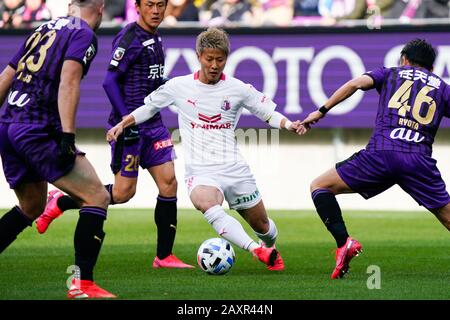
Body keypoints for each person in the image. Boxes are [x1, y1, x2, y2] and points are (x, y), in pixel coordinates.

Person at [107, 27, 303, 271]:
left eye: (219, 59)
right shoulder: (179, 86)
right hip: (201, 171)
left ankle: (269, 246)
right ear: (198, 56)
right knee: (205, 202)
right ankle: (256, 250)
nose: (214, 65)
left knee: (263, 226)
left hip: (235, 169)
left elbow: (267, 113)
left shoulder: (238, 88)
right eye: (209, 59)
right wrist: (123, 123)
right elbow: (149, 107)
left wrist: (289, 124)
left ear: (226, 59)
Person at [36, 0, 193, 269]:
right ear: (138, 7)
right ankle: (61, 201)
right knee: (122, 194)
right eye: (150, 5)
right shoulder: (129, 37)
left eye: (160, 5)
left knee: (169, 183)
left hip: (153, 124)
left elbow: (151, 81)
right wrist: (125, 120)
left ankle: (164, 256)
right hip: (129, 126)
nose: (155, 11)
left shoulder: (156, 38)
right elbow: (109, 80)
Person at [299, 39, 450, 279]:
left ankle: (344, 243)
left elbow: (356, 83)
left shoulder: (390, 73)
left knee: (320, 187)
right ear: (432, 68)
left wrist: (321, 110)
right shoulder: (442, 87)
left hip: (380, 154)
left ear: (404, 60)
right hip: (418, 161)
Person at [0, 0, 116, 299]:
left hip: (9, 124)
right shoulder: (83, 33)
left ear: (70, 4)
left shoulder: (42, 29)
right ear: (100, 6)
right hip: (37, 127)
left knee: (32, 205)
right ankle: (83, 283)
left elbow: (6, 78)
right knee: (97, 195)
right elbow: (69, 82)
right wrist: (67, 136)